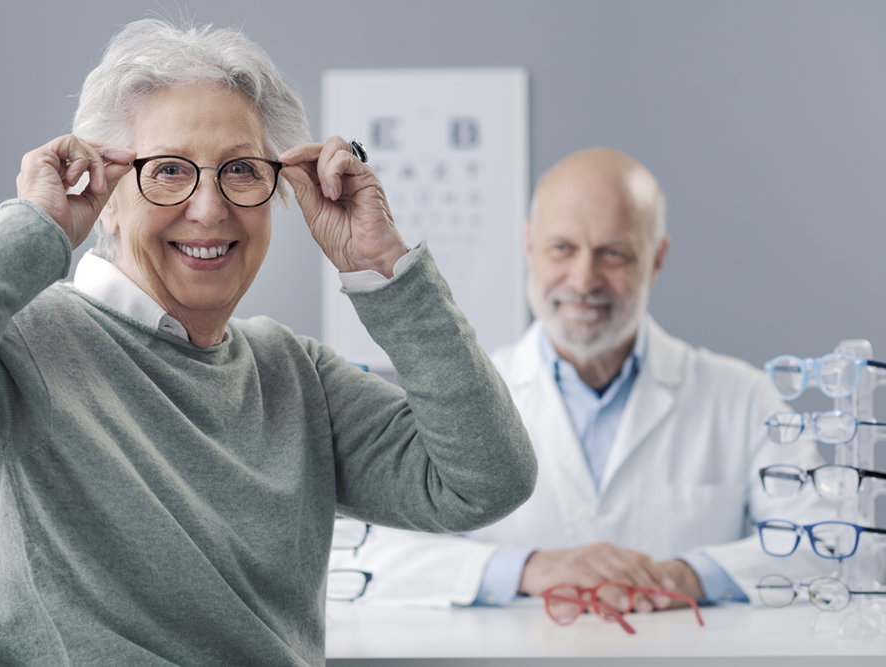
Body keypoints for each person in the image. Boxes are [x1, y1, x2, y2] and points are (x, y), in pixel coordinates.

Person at [0, 19, 537, 666]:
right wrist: (36, 229)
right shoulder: (29, 348)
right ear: (106, 196)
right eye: (169, 170)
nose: (209, 207)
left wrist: (384, 268)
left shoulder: (293, 373)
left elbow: (488, 480)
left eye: (241, 171)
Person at [329, 147, 833, 612]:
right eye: (562, 248)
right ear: (529, 245)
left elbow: (835, 542)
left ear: (657, 259)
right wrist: (529, 569)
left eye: (613, 253)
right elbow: (358, 555)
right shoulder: (452, 395)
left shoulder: (742, 398)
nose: (584, 279)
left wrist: (688, 575)